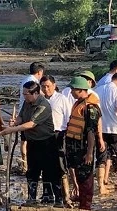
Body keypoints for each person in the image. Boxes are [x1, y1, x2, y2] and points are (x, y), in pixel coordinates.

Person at [0, 81, 61, 206]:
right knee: (32, 171)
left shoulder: (44, 106)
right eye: (23, 94)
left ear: (36, 93)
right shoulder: (27, 103)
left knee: (50, 172)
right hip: (33, 142)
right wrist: (15, 122)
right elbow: (21, 117)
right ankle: (31, 198)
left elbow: (31, 124)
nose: (25, 96)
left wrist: (12, 129)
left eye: (26, 94)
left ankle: (56, 199)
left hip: (47, 143)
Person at [62, 70, 107, 197]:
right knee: (77, 174)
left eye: (73, 90)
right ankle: (80, 199)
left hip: (83, 147)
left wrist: (89, 153)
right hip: (74, 146)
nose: (71, 92)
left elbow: (91, 132)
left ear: (81, 90)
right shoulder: (78, 103)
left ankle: (85, 204)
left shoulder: (90, 107)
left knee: (85, 177)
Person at [40, 76, 73, 207]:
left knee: (60, 167)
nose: (46, 89)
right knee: (45, 166)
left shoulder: (61, 99)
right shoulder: (40, 100)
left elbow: (68, 118)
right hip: (43, 136)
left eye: (48, 86)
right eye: (43, 86)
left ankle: (64, 197)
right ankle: (47, 195)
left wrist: (67, 136)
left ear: (54, 85)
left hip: (59, 134)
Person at [94, 72, 117, 190]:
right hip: (116, 129)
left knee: (101, 157)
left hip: (100, 129)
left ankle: (101, 185)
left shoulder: (98, 90)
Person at [18, 62, 44, 175]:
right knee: (30, 140)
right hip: (30, 113)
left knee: (24, 140)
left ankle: (25, 164)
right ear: (40, 72)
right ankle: (29, 164)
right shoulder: (34, 82)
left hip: (22, 112)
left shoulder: (25, 80)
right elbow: (41, 96)